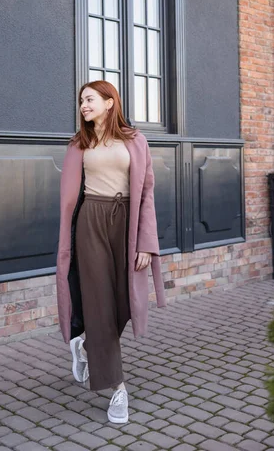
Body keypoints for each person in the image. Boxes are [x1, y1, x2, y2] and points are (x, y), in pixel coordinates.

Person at [56, 80, 166, 424]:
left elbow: (147, 193)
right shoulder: (79, 144)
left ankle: (88, 347)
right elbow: (69, 198)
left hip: (127, 224)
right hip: (91, 222)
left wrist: (146, 242)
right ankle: (118, 389)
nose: (83, 106)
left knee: (123, 303)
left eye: (89, 99)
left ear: (109, 102)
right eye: (81, 101)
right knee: (100, 304)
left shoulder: (135, 140)